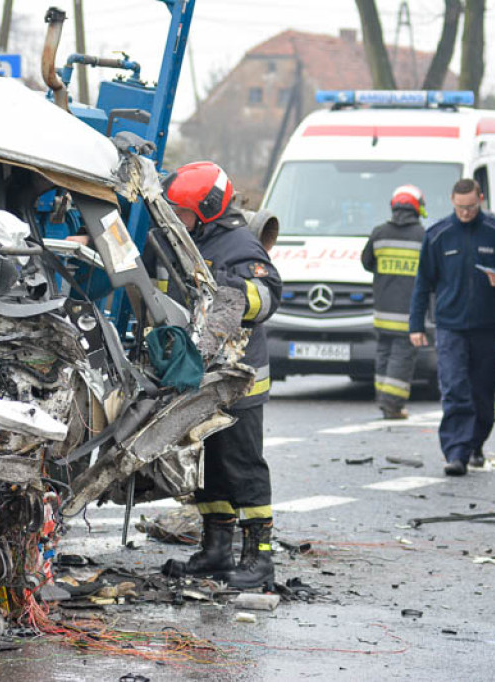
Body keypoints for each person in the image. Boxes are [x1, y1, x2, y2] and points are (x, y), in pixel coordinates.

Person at [152, 161, 283, 590]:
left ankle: (259, 558)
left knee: (243, 468)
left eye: (182, 211)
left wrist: (229, 295)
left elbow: (267, 295)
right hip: (204, 378)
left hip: (239, 381)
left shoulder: (239, 244)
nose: (176, 218)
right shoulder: (186, 240)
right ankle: (216, 550)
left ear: (206, 209)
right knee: (209, 469)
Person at [408, 178, 495, 476]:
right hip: (450, 326)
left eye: (471, 207)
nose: (465, 213)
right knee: (454, 388)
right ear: (452, 201)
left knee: (483, 391)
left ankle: (475, 443)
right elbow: (423, 282)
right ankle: (456, 452)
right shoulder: (438, 235)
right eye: (460, 207)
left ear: (481, 199)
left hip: (487, 327)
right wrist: (415, 324)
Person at [361, 185, 428, 419]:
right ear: (418, 208)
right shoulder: (423, 237)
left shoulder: (379, 233)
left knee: (384, 355)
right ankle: (393, 405)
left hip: (382, 311)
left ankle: (383, 400)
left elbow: (367, 262)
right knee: (401, 358)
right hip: (408, 313)